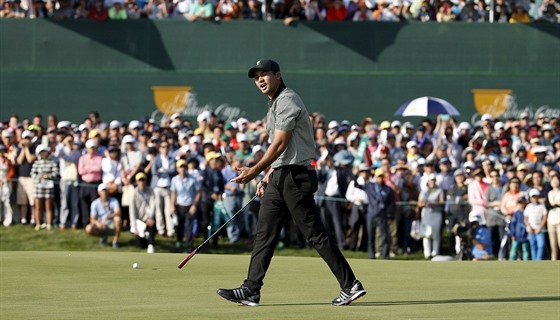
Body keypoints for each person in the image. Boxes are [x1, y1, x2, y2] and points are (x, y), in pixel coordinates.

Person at [217, 60, 366, 306]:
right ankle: (251, 289)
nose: (260, 80)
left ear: (278, 74)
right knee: (264, 234)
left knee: (315, 234)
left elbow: (281, 143)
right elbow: (282, 150)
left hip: (295, 178)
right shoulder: (275, 103)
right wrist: (268, 175)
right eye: (257, 77)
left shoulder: (287, 100)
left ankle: (350, 285)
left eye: (265, 74)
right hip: (280, 176)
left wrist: (255, 169)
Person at [170, 159, 201, 253]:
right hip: (179, 206)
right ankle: (179, 240)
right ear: (177, 169)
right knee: (179, 226)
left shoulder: (193, 179)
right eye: (180, 167)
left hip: (190, 206)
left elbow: (198, 192)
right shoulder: (174, 179)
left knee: (188, 228)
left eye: (184, 166)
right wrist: (172, 205)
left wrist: (194, 205)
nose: (182, 168)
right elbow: (173, 193)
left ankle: (188, 248)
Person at [364, 168, 395, 259]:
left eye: (381, 177)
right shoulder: (369, 186)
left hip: (382, 216)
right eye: (378, 177)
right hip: (371, 215)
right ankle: (371, 256)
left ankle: (385, 256)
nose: (380, 179)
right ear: (375, 177)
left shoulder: (388, 190)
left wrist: (391, 216)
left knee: (384, 237)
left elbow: (391, 205)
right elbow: (358, 185)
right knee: (370, 237)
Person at [30, 145, 59, 231]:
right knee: (38, 206)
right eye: (41, 152)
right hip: (38, 187)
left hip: (48, 187)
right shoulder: (36, 163)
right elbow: (32, 174)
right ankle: (38, 223)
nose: (43, 154)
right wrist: (39, 176)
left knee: (48, 206)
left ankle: (49, 223)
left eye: (44, 152)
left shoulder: (52, 163)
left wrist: (48, 176)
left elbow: (55, 173)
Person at [86, 183, 122, 248]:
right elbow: (92, 219)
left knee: (117, 219)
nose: (104, 192)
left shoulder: (114, 201)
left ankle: (115, 241)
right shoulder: (95, 203)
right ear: (98, 192)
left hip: (112, 224)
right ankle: (103, 236)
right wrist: (97, 223)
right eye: (102, 191)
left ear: (108, 192)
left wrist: (107, 217)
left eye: (105, 190)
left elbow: (118, 213)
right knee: (89, 228)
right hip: (101, 225)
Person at [129, 172, 157, 253]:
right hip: (139, 220)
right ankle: (147, 238)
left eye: (143, 180)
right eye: (140, 180)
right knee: (141, 245)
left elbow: (153, 204)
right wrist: (134, 227)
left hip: (148, 218)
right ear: (137, 182)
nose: (141, 182)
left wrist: (150, 217)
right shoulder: (134, 193)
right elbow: (132, 212)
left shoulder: (150, 191)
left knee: (152, 224)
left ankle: (151, 244)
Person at [418, 173, 444, 259]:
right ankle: (427, 252)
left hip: (436, 213)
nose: (432, 182)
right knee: (426, 233)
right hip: (426, 213)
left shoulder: (439, 190)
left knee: (436, 233)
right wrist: (424, 203)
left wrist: (433, 204)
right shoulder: (424, 192)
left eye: (433, 181)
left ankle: (435, 252)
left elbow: (441, 202)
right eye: (431, 181)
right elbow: (420, 203)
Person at [525, 188, 548, 260]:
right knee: (533, 245)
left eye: (536, 196)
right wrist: (529, 226)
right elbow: (526, 218)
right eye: (533, 197)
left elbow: (544, 218)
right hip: (531, 229)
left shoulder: (542, 206)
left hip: (540, 229)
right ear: (530, 198)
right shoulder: (528, 207)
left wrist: (540, 228)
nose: (534, 198)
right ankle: (534, 260)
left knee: (541, 245)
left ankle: (539, 259)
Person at [509, 196, 530, 260]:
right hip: (517, 234)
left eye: (522, 203)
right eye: (519, 203)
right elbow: (512, 224)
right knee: (513, 250)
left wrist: (528, 234)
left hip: (525, 234)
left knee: (525, 250)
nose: (521, 205)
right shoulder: (516, 213)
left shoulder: (528, 212)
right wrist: (512, 234)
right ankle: (511, 262)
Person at [547, 175, 560, 260]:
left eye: (556, 180)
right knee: (553, 244)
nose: (554, 182)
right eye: (553, 180)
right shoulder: (550, 193)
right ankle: (553, 261)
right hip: (551, 220)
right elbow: (551, 204)